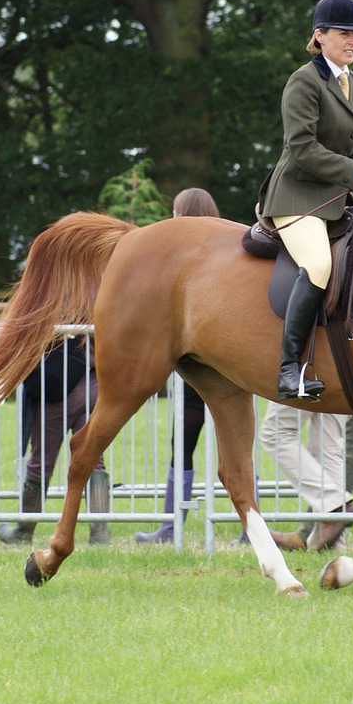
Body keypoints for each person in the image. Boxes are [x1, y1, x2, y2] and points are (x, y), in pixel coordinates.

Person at [258, 0, 353, 401]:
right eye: (344, 33)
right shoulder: (303, 81)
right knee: (320, 265)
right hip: (297, 198)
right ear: (319, 35)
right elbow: (302, 149)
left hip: (335, 200)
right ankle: (290, 369)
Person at [136, 187, 221, 544]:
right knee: (235, 449)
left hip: (195, 373)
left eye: (174, 211)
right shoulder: (225, 248)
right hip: (229, 370)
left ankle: (172, 528)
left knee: (181, 448)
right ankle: (251, 529)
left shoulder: (180, 255)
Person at [0, 336, 110, 545]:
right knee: (94, 460)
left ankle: (23, 531)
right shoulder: (99, 301)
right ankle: (100, 532)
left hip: (57, 385)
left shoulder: (56, 302)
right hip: (94, 383)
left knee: (41, 463)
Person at [257, 401, 352, 551]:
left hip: (305, 378)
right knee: (328, 447)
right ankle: (332, 545)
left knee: (275, 433)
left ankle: (333, 504)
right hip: (339, 379)